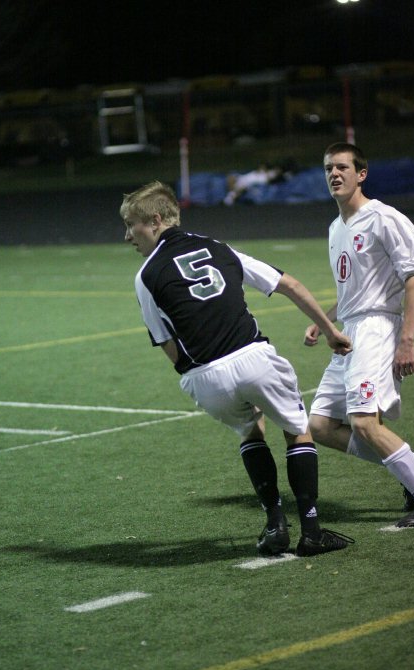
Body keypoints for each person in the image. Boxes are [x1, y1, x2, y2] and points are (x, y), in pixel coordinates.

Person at [120, 180, 355, 557]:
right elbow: (288, 284)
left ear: (157, 220)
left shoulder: (145, 276)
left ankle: (275, 523)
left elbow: (165, 341)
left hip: (205, 377)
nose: (128, 235)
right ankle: (311, 530)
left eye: (132, 225)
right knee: (297, 432)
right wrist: (330, 331)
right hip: (253, 358)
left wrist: (191, 371)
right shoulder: (218, 247)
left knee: (250, 431)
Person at [304, 142, 414, 528]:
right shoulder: (335, 227)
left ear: (361, 174)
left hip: (378, 329)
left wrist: (407, 339)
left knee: (364, 423)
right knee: (321, 425)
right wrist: (323, 320)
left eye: (343, 167)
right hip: (349, 330)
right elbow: (351, 291)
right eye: (329, 168)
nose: (334, 174)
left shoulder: (383, 218)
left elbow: (413, 279)